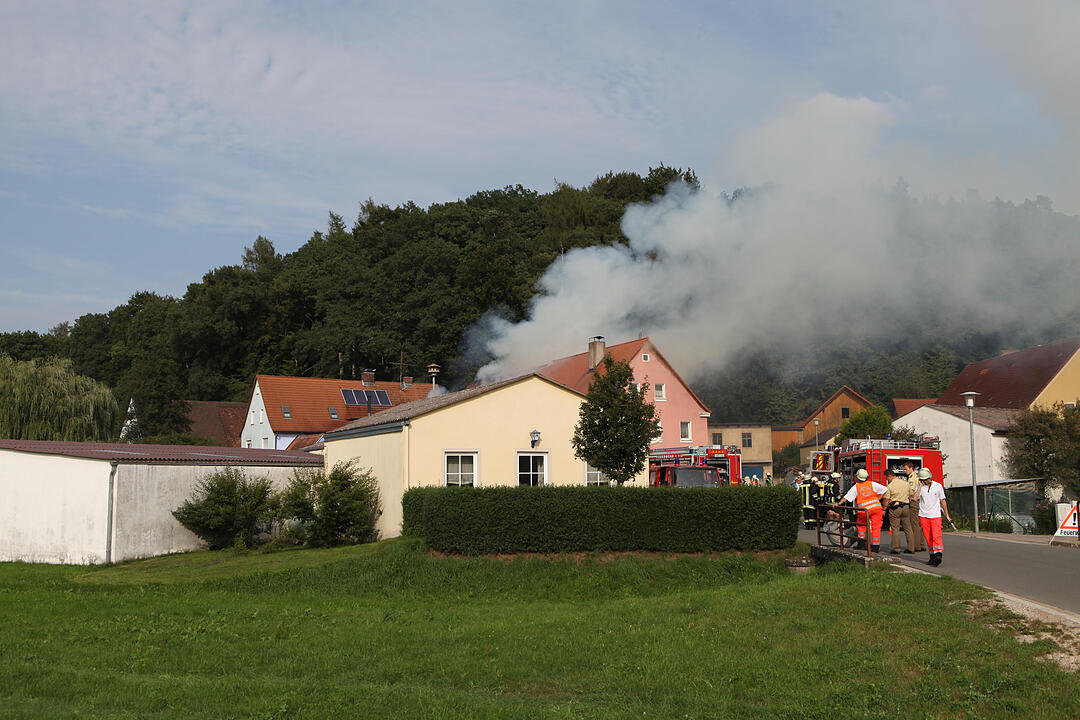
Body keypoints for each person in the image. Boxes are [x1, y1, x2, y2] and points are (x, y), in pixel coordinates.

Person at [837, 468, 888, 552]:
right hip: (876, 508)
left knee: (861, 526)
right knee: (876, 527)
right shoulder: (872, 484)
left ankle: (861, 545)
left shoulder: (856, 487)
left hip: (864, 510)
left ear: (857, 477)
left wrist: (838, 504)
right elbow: (885, 489)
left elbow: (846, 497)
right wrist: (878, 498)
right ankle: (875, 547)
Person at [916, 468, 952, 566]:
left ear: (930, 477)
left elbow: (943, 501)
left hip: (935, 515)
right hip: (923, 515)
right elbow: (915, 498)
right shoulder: (920, 487)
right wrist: (919, 486)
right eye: (923, 480)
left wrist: (947, 515)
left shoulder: (938, 486)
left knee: (936, 535)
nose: (925, 481)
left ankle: (938, 554)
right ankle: (932, 556)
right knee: (928, 537)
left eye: (926, 479)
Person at [882, 468, 914, 554]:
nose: (887, 480)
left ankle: (896, 548)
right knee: (908, 528)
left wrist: (884, 509)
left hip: (895, 508)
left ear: (889, 476)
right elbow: (911, 495)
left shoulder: (890, 486)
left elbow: (886, 499)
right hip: (906, 507)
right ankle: (911, 547)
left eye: (886, 478)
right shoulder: (906, 484)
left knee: (895, 528)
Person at [902, 460, 927, 552]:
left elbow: (911, 491)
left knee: (914, 524)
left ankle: (916, 545)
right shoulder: (917, 477)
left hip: (914, 502)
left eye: (906, 469)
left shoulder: (912, 478)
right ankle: (921, 544)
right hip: (920, 502)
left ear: (911, 468)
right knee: (919, 524)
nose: (905, 471)